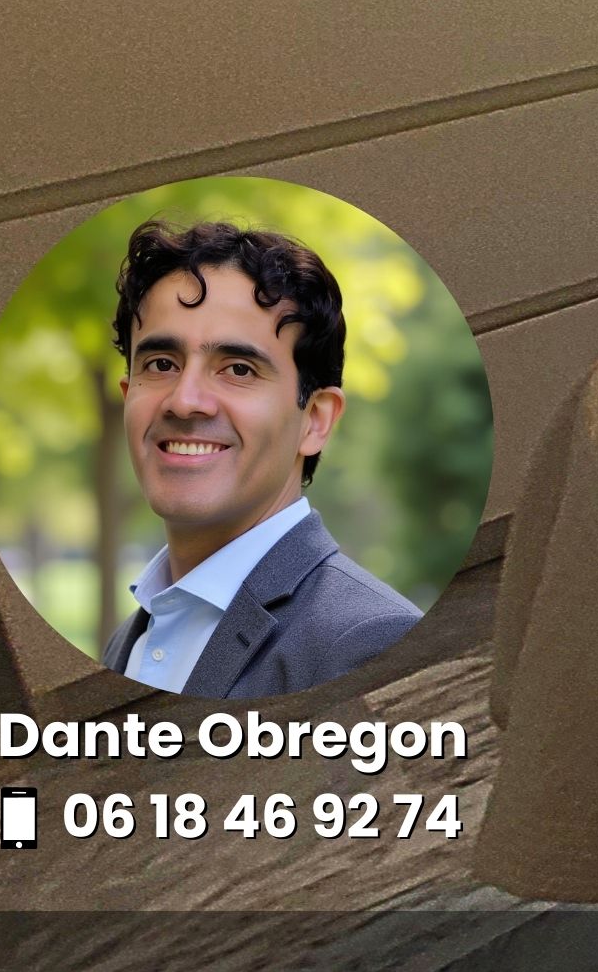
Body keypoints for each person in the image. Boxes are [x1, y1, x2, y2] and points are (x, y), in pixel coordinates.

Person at [98, 220, 420, 696]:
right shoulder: (131, 640)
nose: (184, 401)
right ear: (128, 397)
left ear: (314, 420)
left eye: (238, 369)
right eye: (161, 364)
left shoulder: (367, 641)